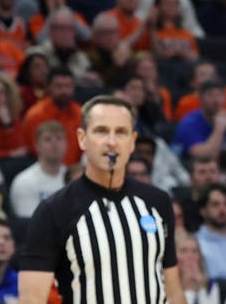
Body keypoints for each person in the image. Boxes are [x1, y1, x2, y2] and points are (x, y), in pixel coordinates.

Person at [18, 96, 186, 304]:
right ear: (82, 139)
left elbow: (174, 291)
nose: (112, 142)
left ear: (132, 142)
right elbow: (31, 300)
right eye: (101, 131)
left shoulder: (158, 202)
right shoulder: (54, 210)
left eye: (121, 132)